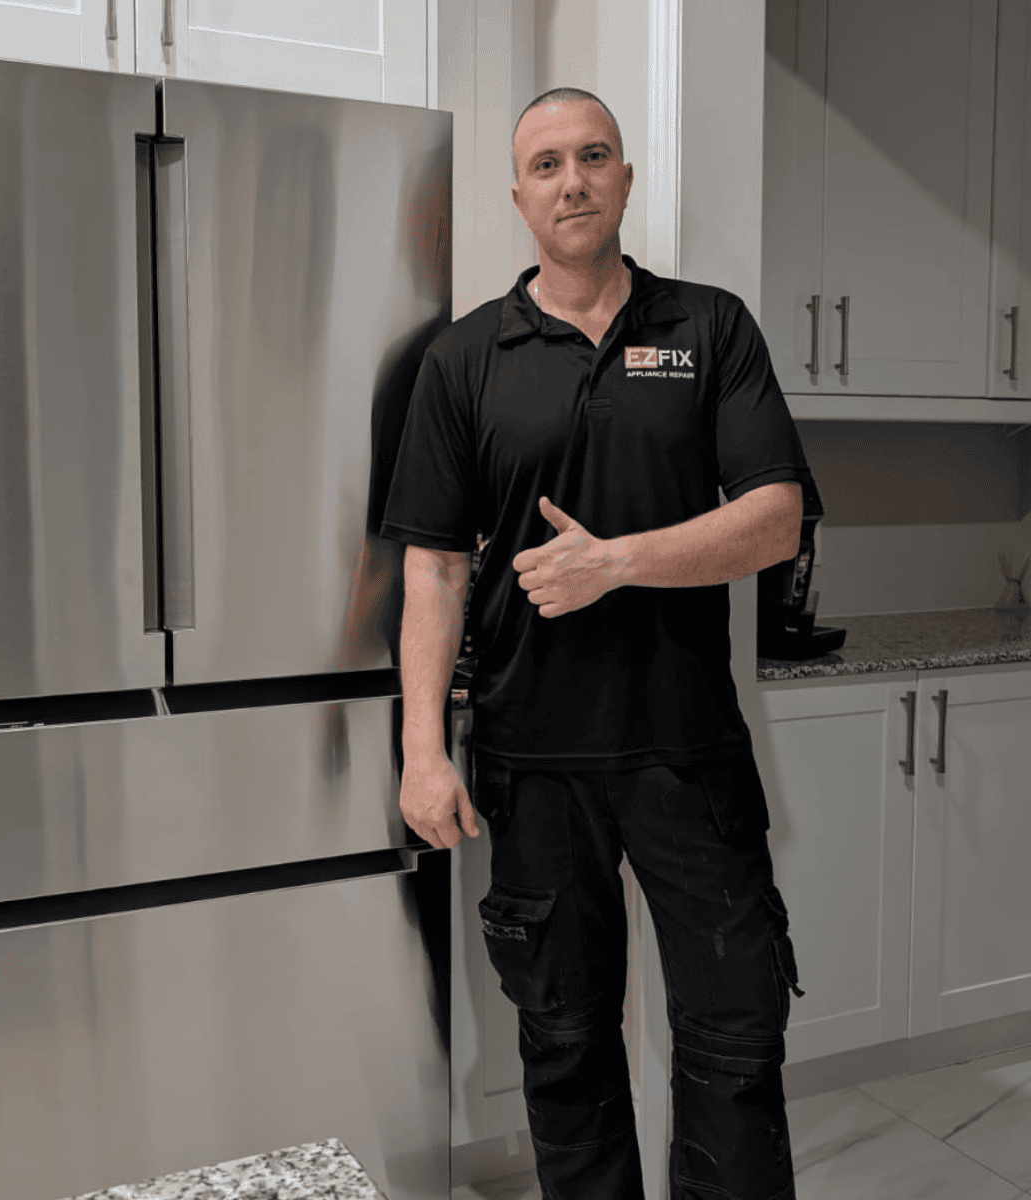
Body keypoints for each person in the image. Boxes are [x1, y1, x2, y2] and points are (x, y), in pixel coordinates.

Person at [379, 87, 812, 1200]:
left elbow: (776, 518)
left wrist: (617, 561)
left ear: (623, 176)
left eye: (593, 155)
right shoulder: (466, 359)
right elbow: (432, 569)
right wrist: (422, 751)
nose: (571, 180)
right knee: (567, 1053)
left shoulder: (709, 327)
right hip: (532, 765)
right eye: (546, 164)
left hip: (689, 755)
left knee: (735, 1043)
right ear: (518, 196)